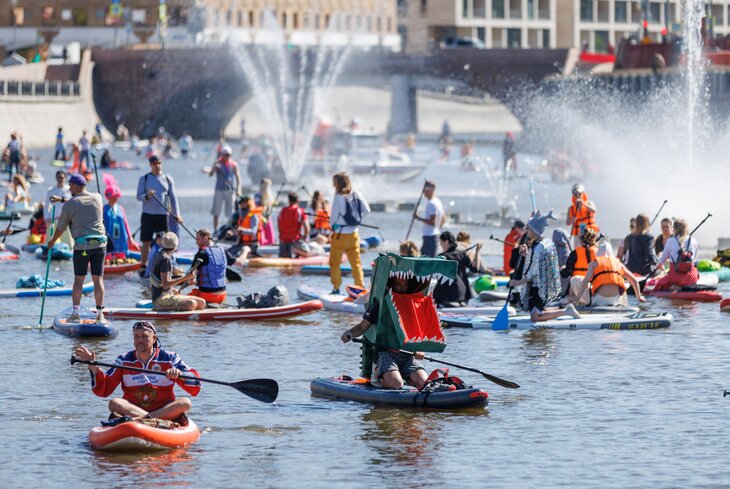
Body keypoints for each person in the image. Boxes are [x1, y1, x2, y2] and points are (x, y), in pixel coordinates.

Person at [73, 321, 200, 424]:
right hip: (133, 410)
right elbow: (104, 390)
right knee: (115, 403)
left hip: (163, 410)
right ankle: (150, 420)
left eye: (144, 336)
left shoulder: (170, 358)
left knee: (185, 403)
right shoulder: (123, 360)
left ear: (154, 339)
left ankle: (144, 420)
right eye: (136, 336)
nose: (140, 340)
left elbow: (195, 385)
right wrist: (94, 368)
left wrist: (179, 375)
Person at [340, 275, 427, 389]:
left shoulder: (413, 304)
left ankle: (401, 376)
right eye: (397, 285)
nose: (401, 288)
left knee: (423, 382)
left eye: (404, 285)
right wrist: (349, 333)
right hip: (386, 354)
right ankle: (378, 376)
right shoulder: (379, 305)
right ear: (391, 285)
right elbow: (362, 327)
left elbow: (421, 333)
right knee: (396, 384)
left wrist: (420, 349)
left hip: (408, 355)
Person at [46, 173, 107, 323]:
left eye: (71, 186)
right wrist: (62, 200)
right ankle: (100, 314)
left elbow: (61, 227)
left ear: (77, 186)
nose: (69, 188)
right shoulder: (98, 198)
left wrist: (52, 241)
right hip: (100, 245)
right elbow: (80, 202)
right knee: (98, 279)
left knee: (79, 280)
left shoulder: (70, 204)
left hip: (82, 247)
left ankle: (75, 314)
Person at [508, 210, 581, 322]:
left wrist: (517, 282)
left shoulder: (538, 247)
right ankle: (567, 309)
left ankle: (565, 312)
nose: (526, 230)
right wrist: (526, 254)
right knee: (538, 312)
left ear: (534, 230)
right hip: (540, 286)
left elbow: (534, 273)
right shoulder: (541, 244)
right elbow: (536, 263)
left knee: (535, 317)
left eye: (528, 228)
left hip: (538, 288)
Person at [136, 155, 181, 273]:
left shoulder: (167, 178)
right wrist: (147, 196)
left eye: (159, 163)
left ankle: (165, 263)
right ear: (151, 165)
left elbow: (173, 197)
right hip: (147, 214)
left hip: (162, 215)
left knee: (164, 241)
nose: (157, 166)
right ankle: (143, 265)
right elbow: (138, 196)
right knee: (145, 241)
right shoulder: (144, 179)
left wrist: (177, 214)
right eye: (155, 164)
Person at [329, 172, 370, 294]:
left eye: (334, 183)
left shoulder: (338, 197)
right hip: (354, 234)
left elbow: (333, 219)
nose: (333, 185)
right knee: (356, 263)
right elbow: (367, 210)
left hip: (340, 235)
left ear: (338, 184)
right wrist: (357, 221)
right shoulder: (356, 193)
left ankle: (336, 288)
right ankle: (361, 287)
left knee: (335, 262)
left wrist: (332, 227)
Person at [150, 232, 206, 311]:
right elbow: (165, 284)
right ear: (175, 246)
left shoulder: (160, 254)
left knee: (202, 303)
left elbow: (161, 281)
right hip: (160, 298)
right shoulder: (165, 259)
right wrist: (185, 277)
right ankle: (160, 308)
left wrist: (173, 289)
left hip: (168, 294)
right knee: (191, 304)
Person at [567, 250, 646, 307]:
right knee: (623, 287)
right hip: (616, 300)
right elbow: (634, 280)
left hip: (598, 301)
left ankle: (571, 300)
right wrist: (639, 297)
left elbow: (586, 281)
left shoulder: (594, 263)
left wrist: (577, 297)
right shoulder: (619, 264)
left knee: (574, 279)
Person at [433, 231, 480, 307]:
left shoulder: (442, 256)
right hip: (464, 294)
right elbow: (475, 269)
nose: (440, 244)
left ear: (446, 242)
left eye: (441, 242)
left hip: (448, 296)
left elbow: (434, 274)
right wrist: (477, 252)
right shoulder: (462, 254)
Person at [653, 218, 700, 290]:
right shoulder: (693, 240)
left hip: (674, 277)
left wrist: (659, 266)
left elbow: (661, 262)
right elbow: (694, 259)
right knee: (695, 272)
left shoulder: (670, 241)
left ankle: (676, 286)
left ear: (674, 229)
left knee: (659, 284)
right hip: (690, 277)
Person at [560, 228, 599, 304]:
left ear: (581, 240)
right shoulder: (598, 252)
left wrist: (562, 270)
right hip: (593, 287)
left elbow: (567, 273)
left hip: (576, 287)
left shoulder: (575, 252)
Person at [190, 228, 227, 304]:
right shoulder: (222, 250)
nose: (196, 242)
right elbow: (238, 261)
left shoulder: (201, 253)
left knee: (181, 299)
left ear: (205, 238)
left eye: (198, 239)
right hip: (223, 295)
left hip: (207, 296)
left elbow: (190, 278)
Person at [208, 144, 240, 231]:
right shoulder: (217, 163)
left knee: (230, 213)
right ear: (222, 154)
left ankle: (229, 230)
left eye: (229, 155)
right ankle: (215, 230)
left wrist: (238, 189)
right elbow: (210, 175)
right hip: (219, 190)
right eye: (226, 155)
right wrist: (214, 168)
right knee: (216, 212)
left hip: (229, 191)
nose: (227, 157)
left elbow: (238, 178)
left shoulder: (233, 164)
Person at [103, 185, 137, 262]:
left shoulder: (120, 208)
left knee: (121, 257)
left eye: (116, 196)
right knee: (108, 256)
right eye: (113, 196)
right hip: (109, 237)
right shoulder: (104, 209)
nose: (115, 198)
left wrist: (130, 237)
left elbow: (125, 223)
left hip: (120, 236)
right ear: (108, 197)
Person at [412, 180, 445, 257]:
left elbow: (433, 222)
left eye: (425, 190)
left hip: (430, 237)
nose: (423, 192)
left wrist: (418, 218)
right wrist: (438, 228)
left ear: (430, 190)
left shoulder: (431, 204)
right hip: (434, 235)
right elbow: (443, 218)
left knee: (425, 261)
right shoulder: (438, 201)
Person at [566, 183, 599, 248]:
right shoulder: (571, 208)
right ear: (573, 195)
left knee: (592, 249)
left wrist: (584, 204)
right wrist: (573, 219)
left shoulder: (589, 203)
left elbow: (594, 211)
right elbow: (567, 222)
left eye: (580, 194)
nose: (578, 196)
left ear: (583, 194)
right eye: (575, 194)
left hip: (590, 232)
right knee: (578, 251)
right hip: (578, 234)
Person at [230, 195, 261, 264]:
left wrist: (241, 231)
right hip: (241, 243)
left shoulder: (253, 216)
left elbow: (253, 232)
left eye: (242, 203)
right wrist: (233, 232)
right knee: (229, 253)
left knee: (236, 256)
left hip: (251, 245)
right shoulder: (241, 215)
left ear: (247, 203)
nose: (240, 205)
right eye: (240, 203)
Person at [277, 192, 309, 258]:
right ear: (298, 200)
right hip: (295, 242)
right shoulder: (300, 211)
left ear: (289, 200)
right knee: (308, 253)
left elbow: (279, 226)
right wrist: (305, 237)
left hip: (283, 243)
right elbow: (306, 227)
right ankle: (296, 251)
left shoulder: (282, 211)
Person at [255, 178, 276, 246]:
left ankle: (270, 245)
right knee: (261, 237)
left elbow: (269, 207)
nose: (267, 188)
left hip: (267, 217)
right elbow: (257, 208)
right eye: (266, 186)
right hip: (260, 218)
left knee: (271, 238)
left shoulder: (268, 195)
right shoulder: (258, 195)